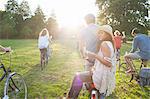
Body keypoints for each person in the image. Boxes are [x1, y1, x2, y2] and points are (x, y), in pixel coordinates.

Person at [67, 25, 116, 99]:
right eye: (99, 33)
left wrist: (94, 55)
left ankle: (70, 97)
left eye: (101, 33)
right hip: (103, 74)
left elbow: (108, 63)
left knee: (78, 76)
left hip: (100, 75)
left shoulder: (104, 44)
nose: (99, 34)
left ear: (107, 34)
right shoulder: (110, 44)